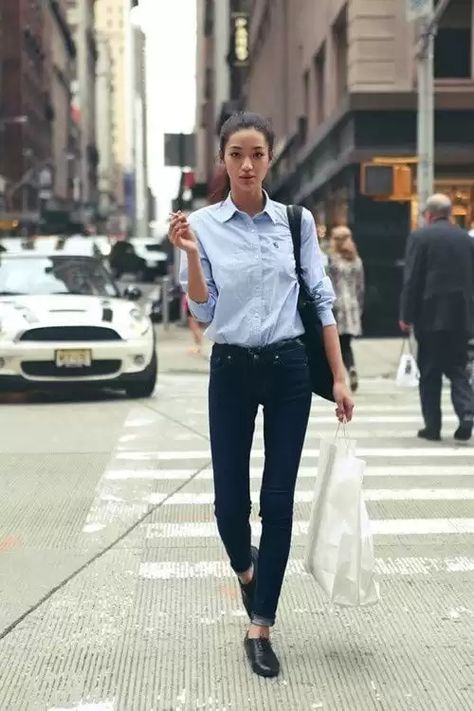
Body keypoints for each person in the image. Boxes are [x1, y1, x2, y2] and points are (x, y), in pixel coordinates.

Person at [169, 111, 354, 679]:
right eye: (235, 155)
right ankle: (249, 574)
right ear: (222, 160)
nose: (246, 165)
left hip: (288, 368)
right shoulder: (200, 224)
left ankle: (261, 625)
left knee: (277, 502)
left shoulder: (296, 223)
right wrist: (194, 257)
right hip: (231, 368)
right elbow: (201, 310)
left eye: (256, 154)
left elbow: (321, 302)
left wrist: (340, 374)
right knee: (230, 508)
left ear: (270, 159)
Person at [400, 193, 474, 441]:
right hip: (461, 317)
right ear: (450, 213)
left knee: (430, 372)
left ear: (429, 215)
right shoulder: (466, 239)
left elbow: (413, 279)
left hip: (429, 316)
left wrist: (406, 315)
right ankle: (466, 414)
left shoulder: (420, 237)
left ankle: (433, 427)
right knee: (457, 368)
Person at [328, 226, 365, 392]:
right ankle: (351, 368)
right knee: (345, 343)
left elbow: (328, 283)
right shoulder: (356, 261)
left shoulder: (332, 261)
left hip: (336, 306)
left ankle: (341, 374)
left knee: (336, 344)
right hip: (352, 307)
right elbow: (360, 287)